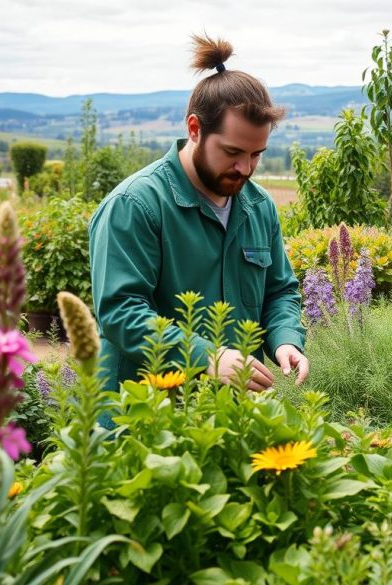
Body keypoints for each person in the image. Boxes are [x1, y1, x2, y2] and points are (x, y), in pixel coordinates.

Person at [89, 34, 308, 400]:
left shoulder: (258, 206)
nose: (245, 168)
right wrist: (205, 355)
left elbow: (279, 290)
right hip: (143, 414)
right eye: (233, 152)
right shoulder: (135, 205)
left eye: (257, 154)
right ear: (194, 129)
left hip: (229, 413)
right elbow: (120, 312)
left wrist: (286, 340)